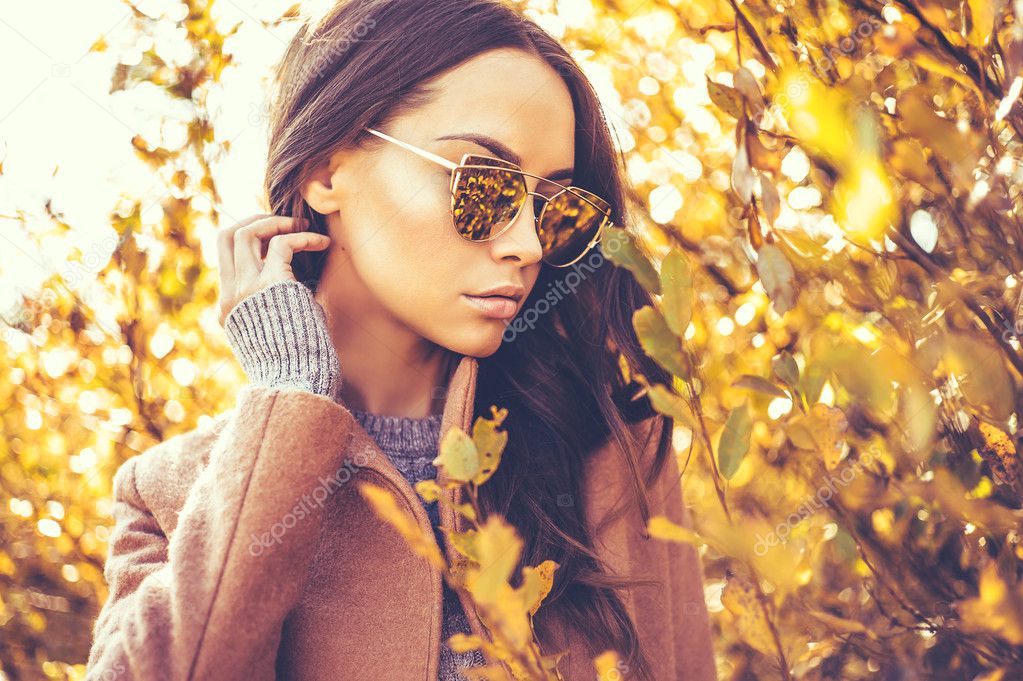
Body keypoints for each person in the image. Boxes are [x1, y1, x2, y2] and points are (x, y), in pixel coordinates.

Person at [84, 1, 717, 679]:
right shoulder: (167, 494)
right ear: (326, 171)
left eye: (554, 206)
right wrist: (290, 396)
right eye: (484, 184)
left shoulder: (612, 449)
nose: (528, 244)